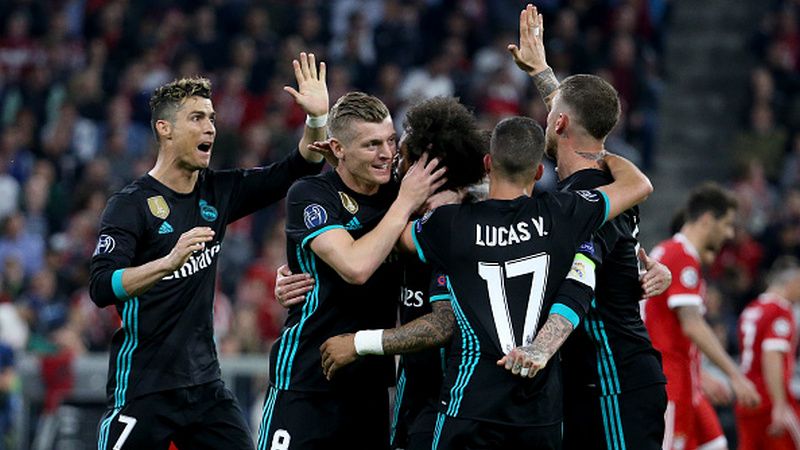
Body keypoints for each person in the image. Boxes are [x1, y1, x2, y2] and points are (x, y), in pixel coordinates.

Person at [324, 116, 653, 449]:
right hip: (539, 415)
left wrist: (382, 189)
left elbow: (387, 239)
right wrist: (600, 154)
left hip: (468, 407)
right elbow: (638, 186)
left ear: (487, 163)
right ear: (539, 172)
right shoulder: (564, 215)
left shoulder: (449, 225)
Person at [89, 52, 328, 449]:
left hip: (205, 389)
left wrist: (316, 120)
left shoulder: (219, 191)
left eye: (212, 118)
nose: (211, 128)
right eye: (197, 118)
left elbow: (297, 168)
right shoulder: (130, 204)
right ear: (165, 129)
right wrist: (167, 263)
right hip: (144, 386)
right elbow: (101, 286)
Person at [506, 5, 672, 449]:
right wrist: (542, 72)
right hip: (597, 380)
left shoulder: (591, 199)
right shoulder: (604, 186)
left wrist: (541, 348)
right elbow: (573, 117)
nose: (547, 117)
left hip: (614, 379)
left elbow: (580, 281)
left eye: (550, 113)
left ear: (558, 123)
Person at [256, 91, 445, 450]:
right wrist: (404, 203)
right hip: (305, 381)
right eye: (371, 145)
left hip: (370, 386)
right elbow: (356, 267)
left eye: (390, 140)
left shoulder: (399, 192)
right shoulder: (311, 192)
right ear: (338, 149)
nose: (387, 154)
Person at [643, 183, 762, 450]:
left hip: (683, 377)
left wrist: (701, 376)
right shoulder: (680, 255)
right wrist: (736, 376)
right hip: (669, 380)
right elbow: (692, 325)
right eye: (727, 224)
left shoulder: (672, 253)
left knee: (716, 444)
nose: (729, 233)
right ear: (708, 220)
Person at [736, 258, 800, 450]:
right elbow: (771, 356)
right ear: (793, 282)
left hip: (747, 399)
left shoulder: (752, 308)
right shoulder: (780, 310)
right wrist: (779, 404)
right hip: (769, 400)